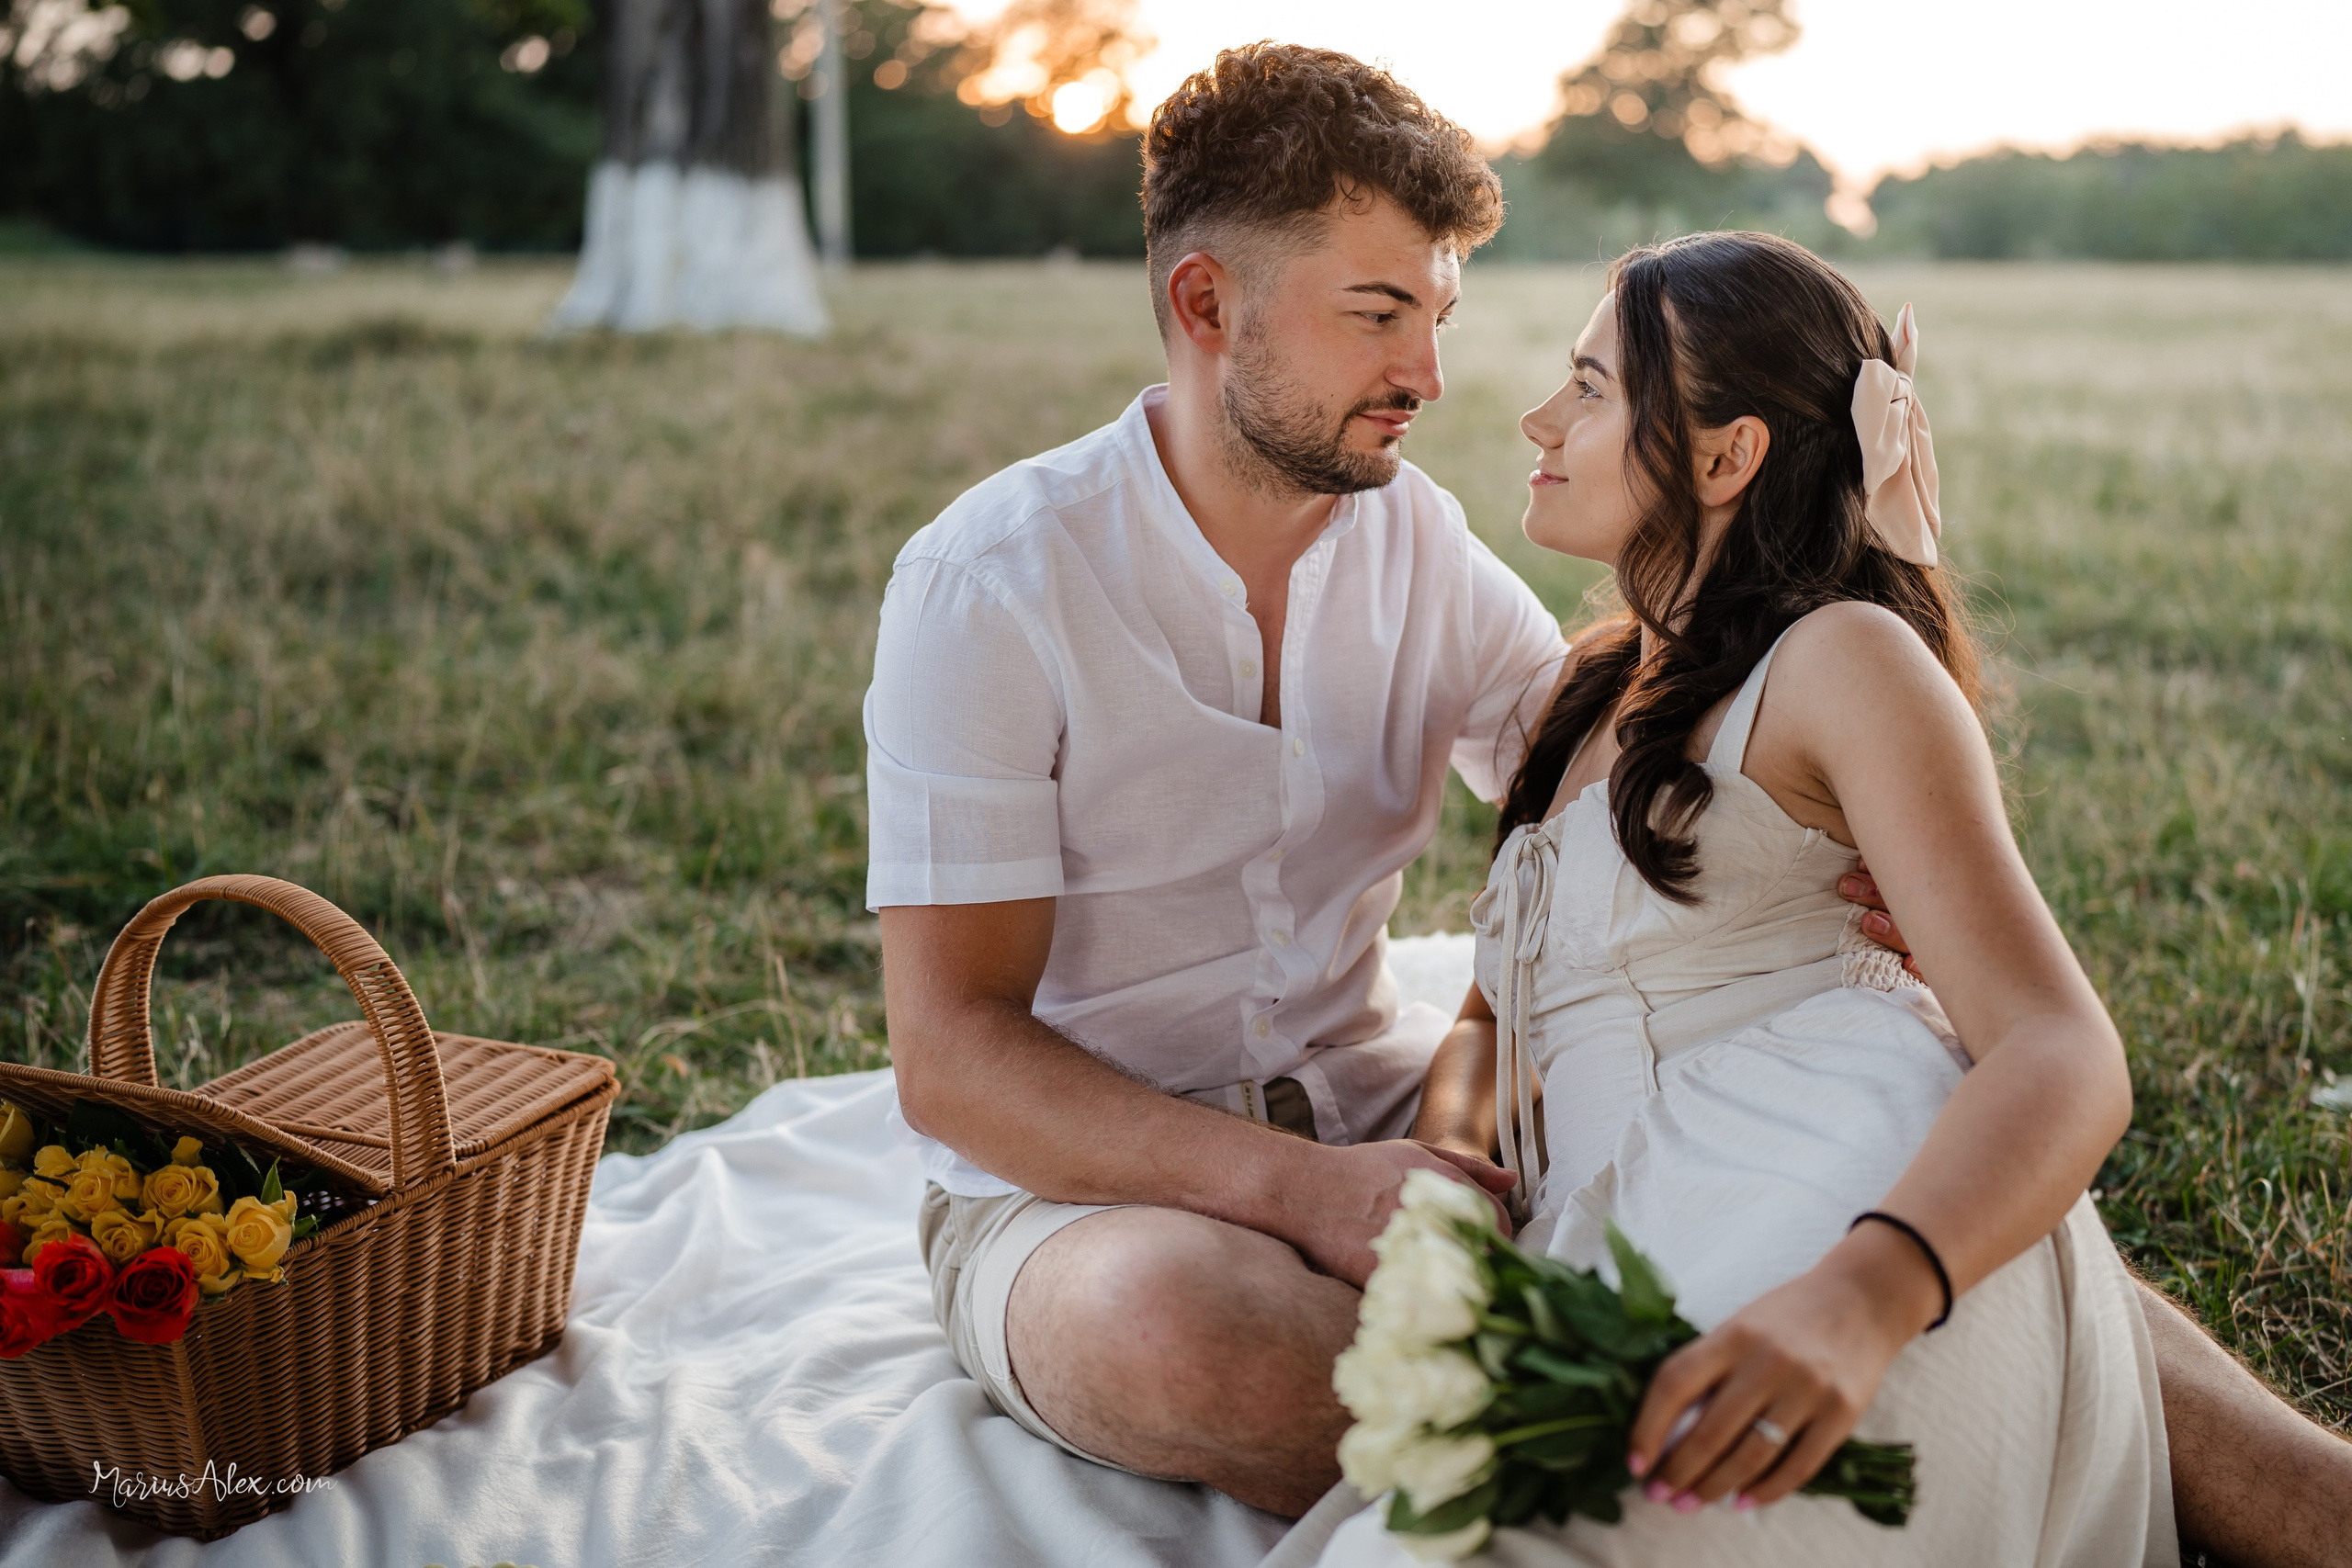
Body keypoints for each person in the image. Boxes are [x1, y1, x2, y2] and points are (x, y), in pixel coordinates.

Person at [864, 42, 2351, 1568]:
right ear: (1205, 304)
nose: (1438, 382)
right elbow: (953, 1059)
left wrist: (1872, 810)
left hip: (1401, 1127)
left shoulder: (1417, 553)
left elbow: (1671, 785)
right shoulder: (993, 585)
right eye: (1380, 314)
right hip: (1090, 1186)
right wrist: (1304, 1193)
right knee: (1183, 1328)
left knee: (1906, 1206)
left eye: (1439, 317)